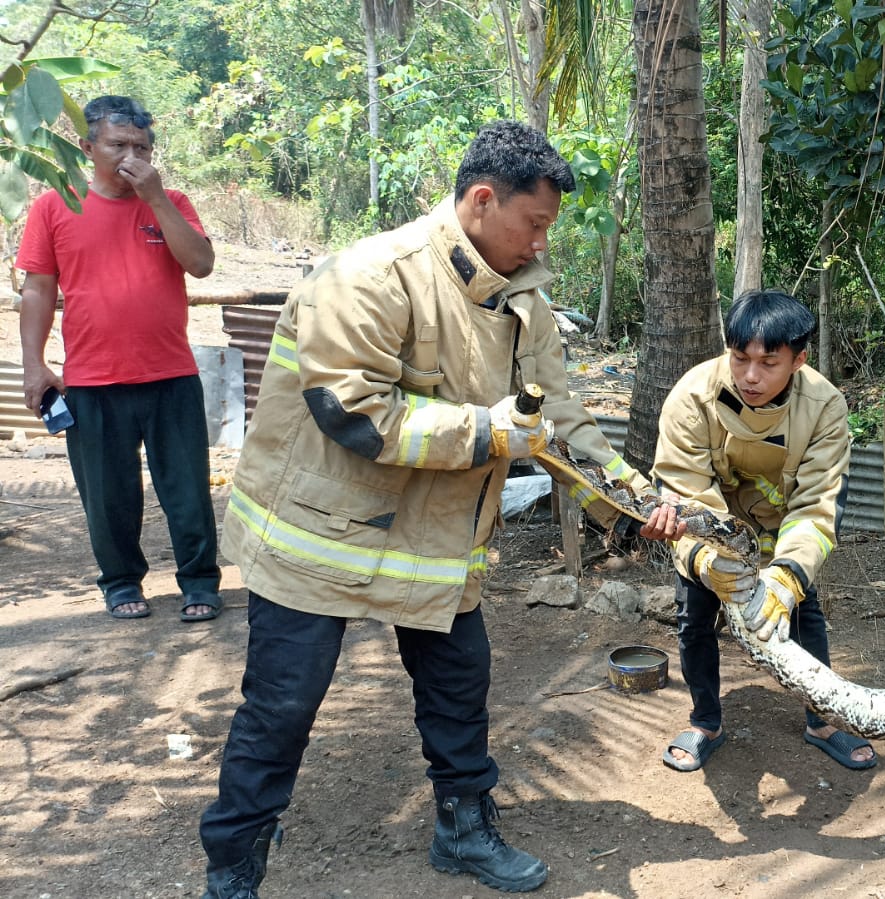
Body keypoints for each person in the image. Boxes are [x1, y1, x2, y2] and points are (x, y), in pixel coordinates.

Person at [196, 121, 682, 898]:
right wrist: (488, 430)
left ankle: (463, 828)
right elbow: (352, 414)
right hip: (318, 537)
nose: (539, 244)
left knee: (460, 685)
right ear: (483, 200)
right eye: (535, 224)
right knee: (281, 705)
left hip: (434, 539)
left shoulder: (522, 296)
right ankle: (233, 861)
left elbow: (559, 410)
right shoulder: (370, 276)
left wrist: (630, 484)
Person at [15, 95, 222, 623]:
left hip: (171, 375)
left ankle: (199, 582)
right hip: (92, 379)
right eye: (118, 144)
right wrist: (35, 364)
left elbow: (199, 265)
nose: (132, 155)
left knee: (188, 490)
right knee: (108, 497)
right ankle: (121, 582)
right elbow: (38, 290)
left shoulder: (171, 199)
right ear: (88, 148)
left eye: (142, 146)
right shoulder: (54, 206)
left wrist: (155, 200)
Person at [652, 288, 877, 773]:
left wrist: (788, 575)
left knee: (805, 615)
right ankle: (706, 723)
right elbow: (686, 492)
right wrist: (713, 563)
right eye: (740, 358)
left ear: (799, 359)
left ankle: (821, 722)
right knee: (694, 619)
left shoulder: (825, 407)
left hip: (784, 532)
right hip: (710, 535)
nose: (750, 376)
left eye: (768, 363)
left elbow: (817, 504)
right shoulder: (691, 396)